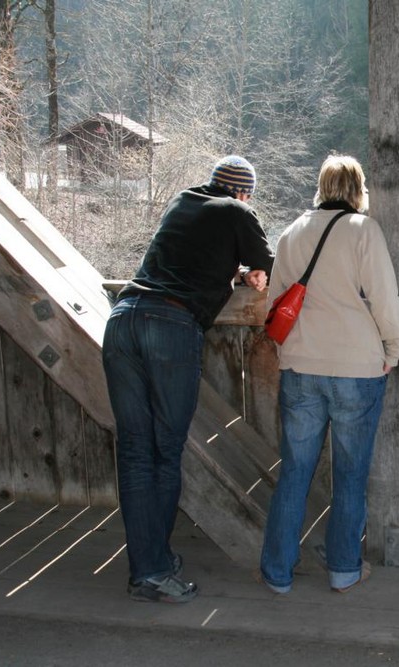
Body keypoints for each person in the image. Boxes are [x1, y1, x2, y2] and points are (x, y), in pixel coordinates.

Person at [102, 155, 274, 603]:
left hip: (122, 319)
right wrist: (250, 272)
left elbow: (191, 255)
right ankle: (153, 572)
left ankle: (150, 561)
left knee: (136, 453)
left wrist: (229, 270)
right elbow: (267, 267)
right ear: (242, 192)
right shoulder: (237, 211)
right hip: (170, 327)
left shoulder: (183, 201)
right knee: (164, 451)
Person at [259, 155, 399, 594]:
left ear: (322, 186)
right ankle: (343, 569)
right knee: (350, 475)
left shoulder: (291, 233)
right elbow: (384, 299)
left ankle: (277, 573)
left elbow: (275, 306)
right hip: (357, 369)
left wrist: (290, 349)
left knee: (295, 472)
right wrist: (393, 350)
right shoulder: (364, 231)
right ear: (359, 188)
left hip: (301, 366)